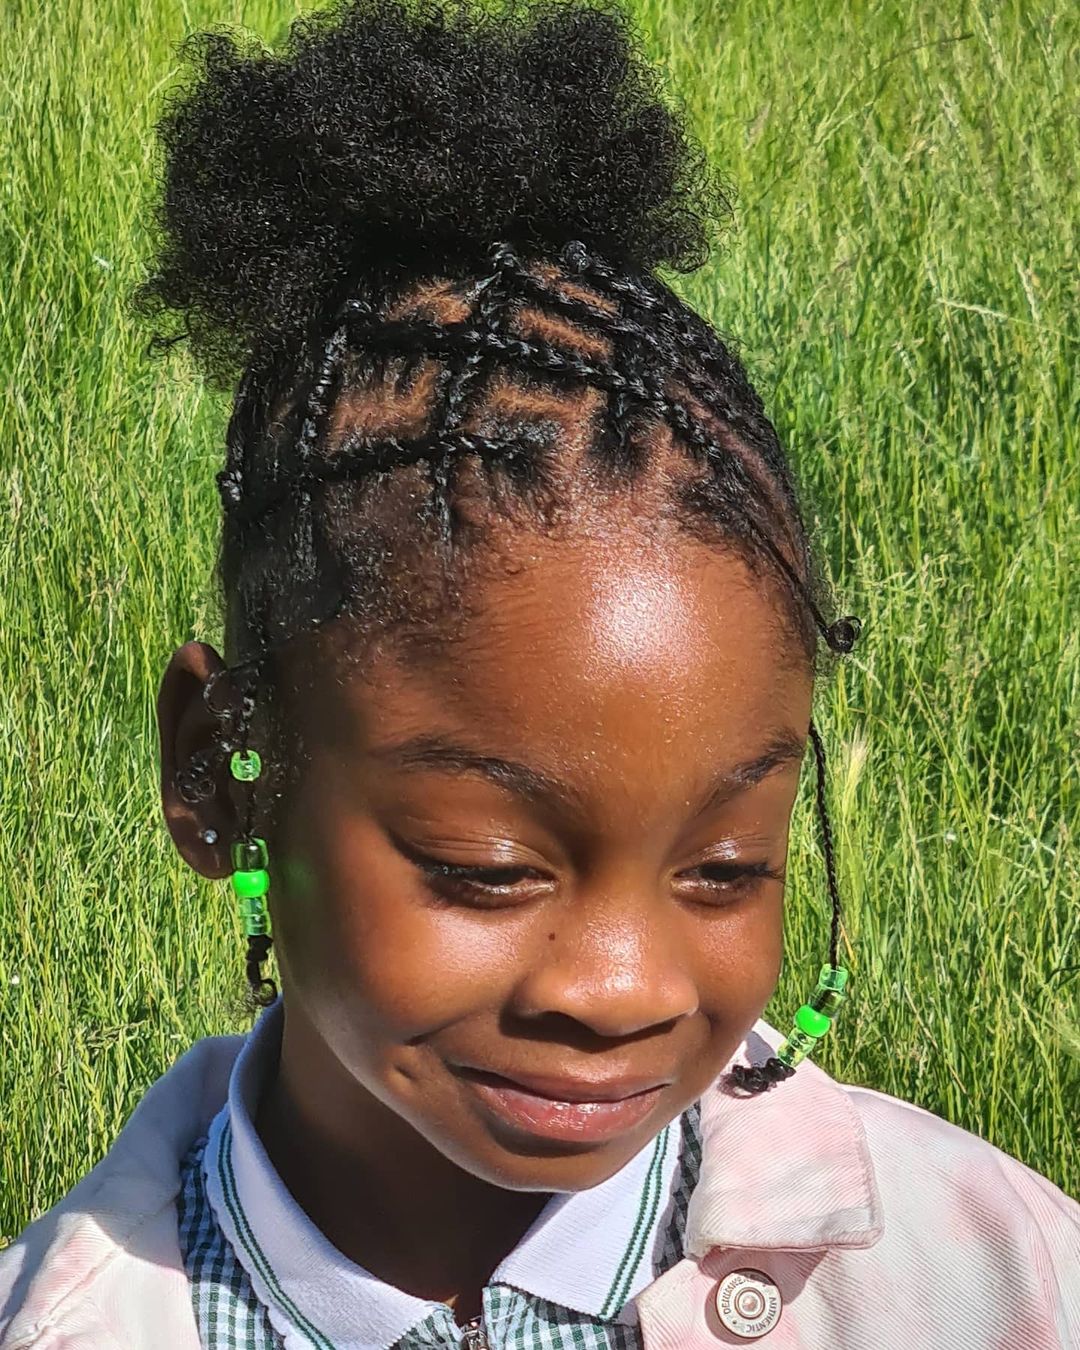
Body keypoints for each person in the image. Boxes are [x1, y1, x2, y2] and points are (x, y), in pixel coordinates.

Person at [2, 0, 1077, 1345]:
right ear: (224, 772)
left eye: (728, 864)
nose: (620, 982)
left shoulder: (993, 1277)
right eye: (486, 866)